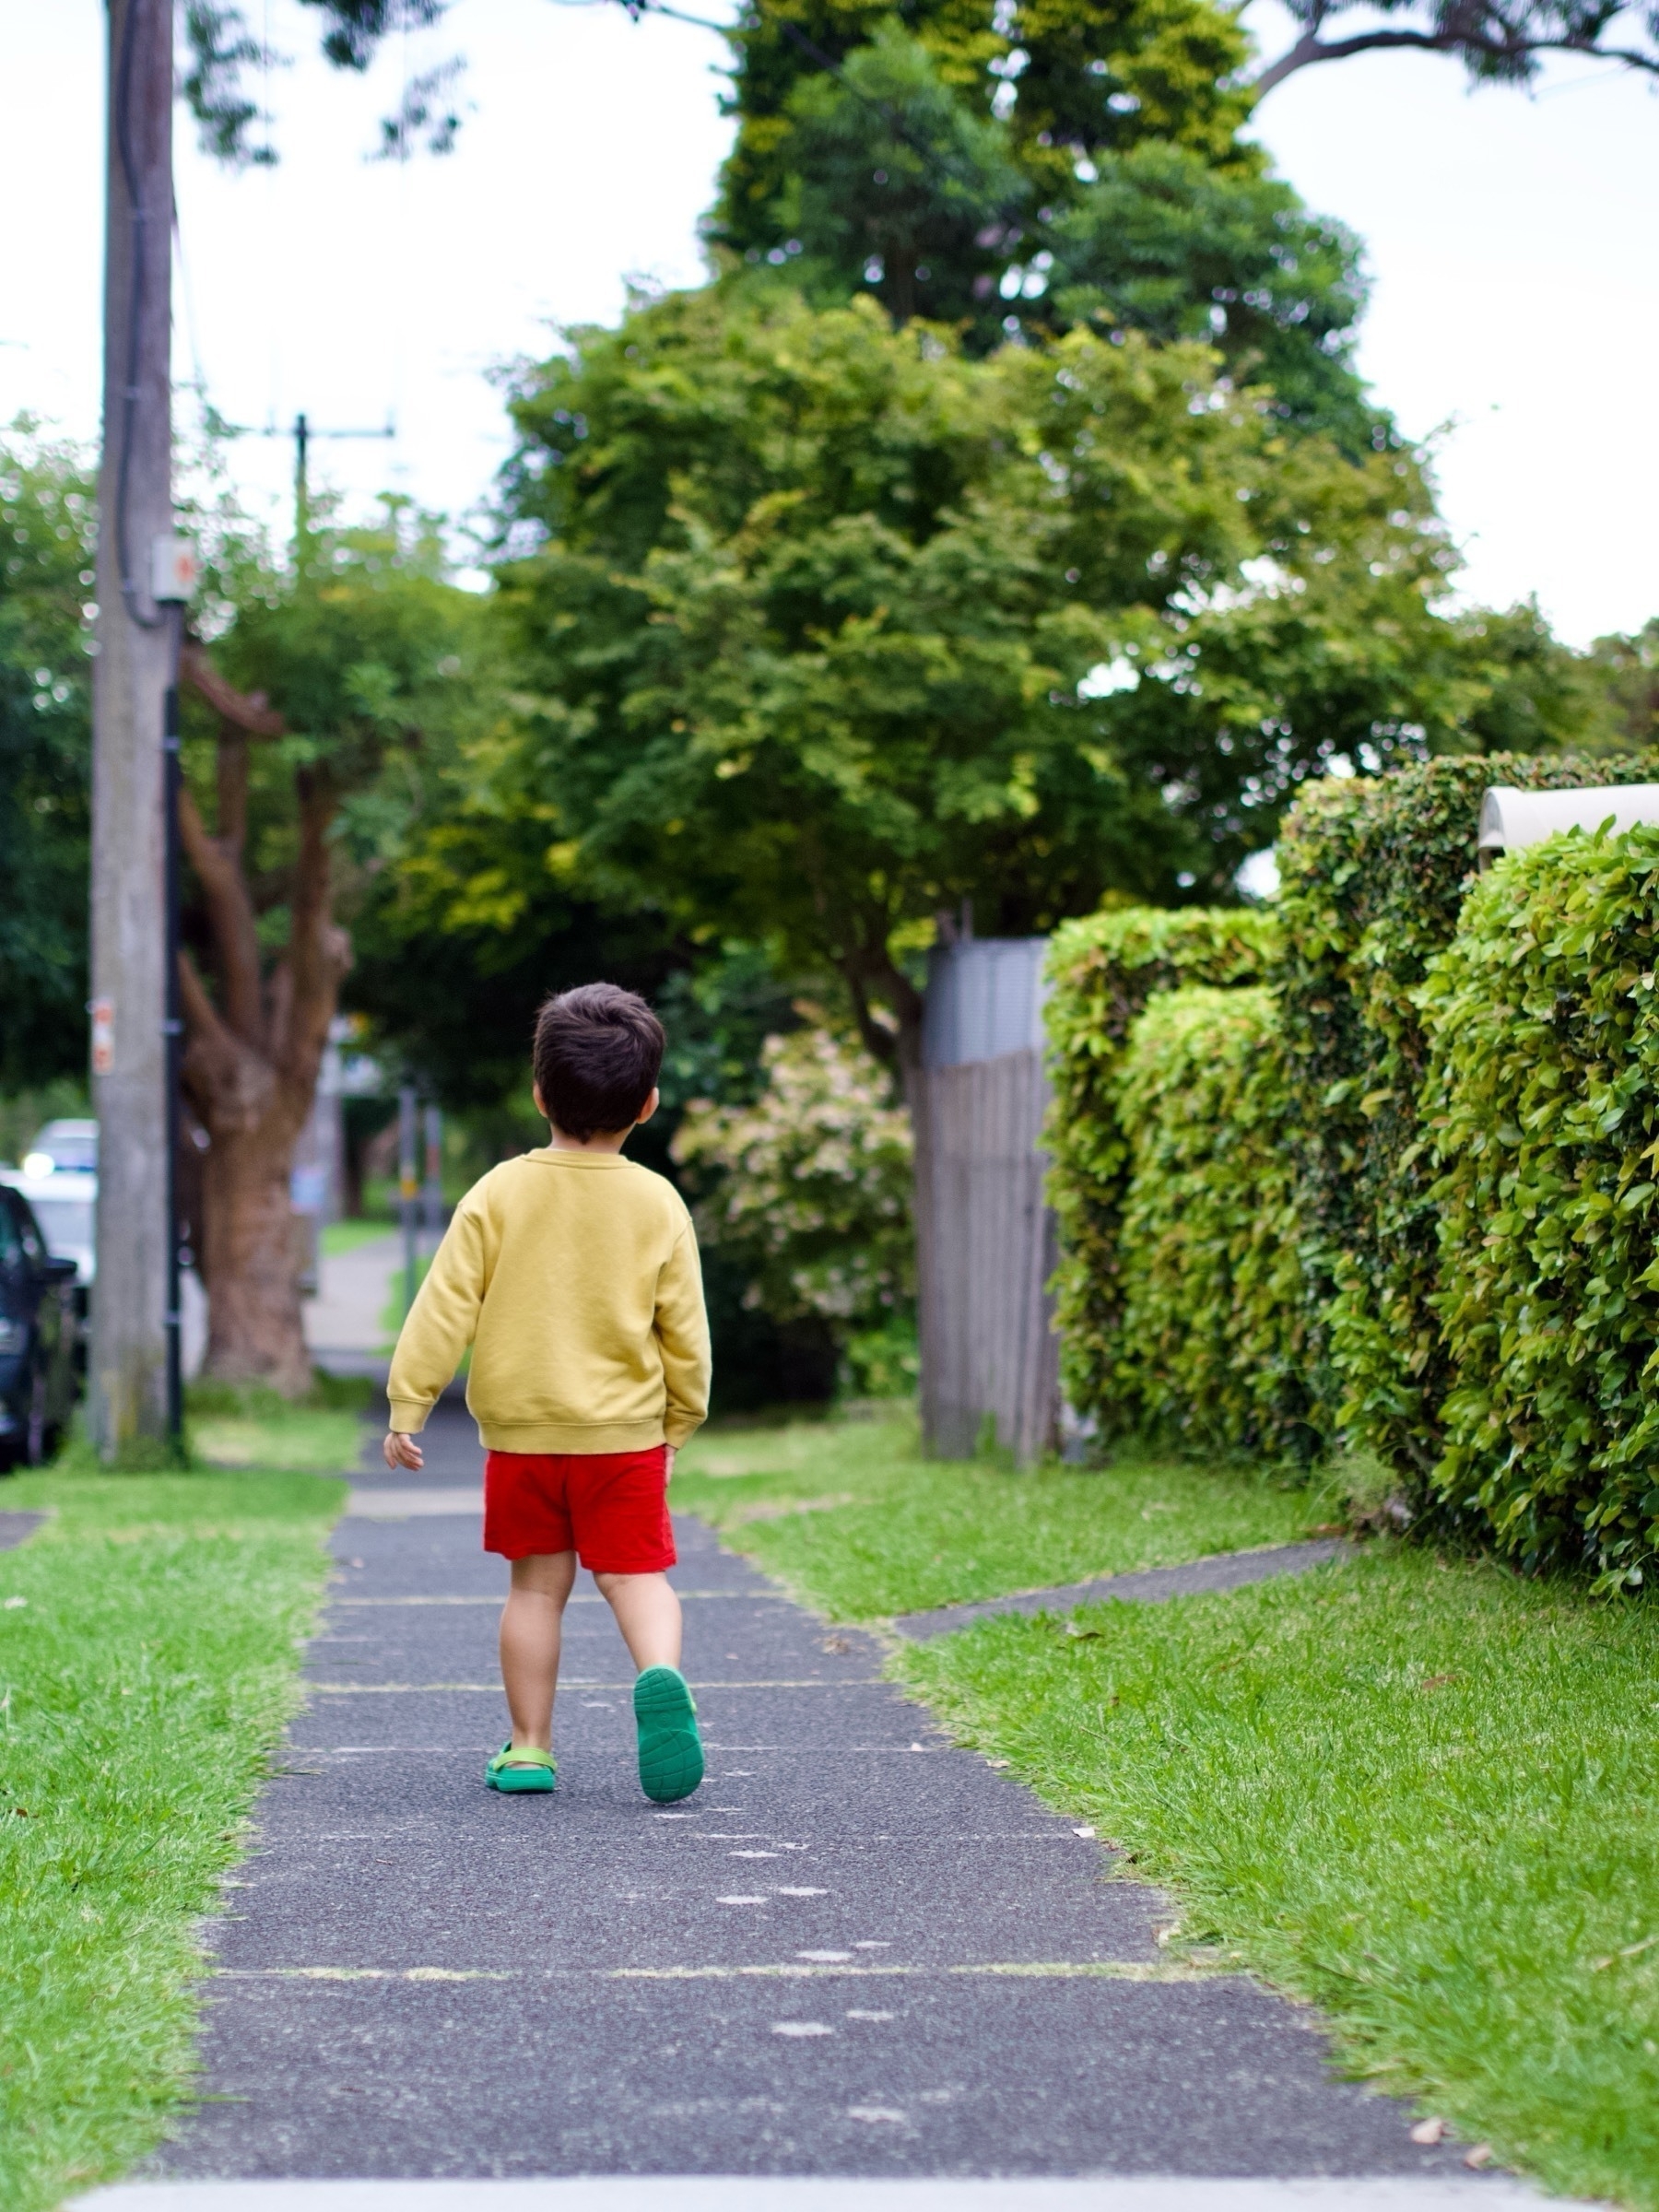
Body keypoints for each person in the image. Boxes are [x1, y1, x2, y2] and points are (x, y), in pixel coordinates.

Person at [382, 982, 712, 1804]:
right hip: (623, 1438)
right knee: (637, 1579)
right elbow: (686, 1330)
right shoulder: (656, 1201)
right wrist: (680, 1417)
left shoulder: (497, 1193)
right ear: (647, 1103)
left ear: (539, 1095)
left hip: (524, 1440)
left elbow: (444, 1307)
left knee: (535, 1588)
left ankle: (529, 1749)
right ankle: (660, 1676)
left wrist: (408, 1405)